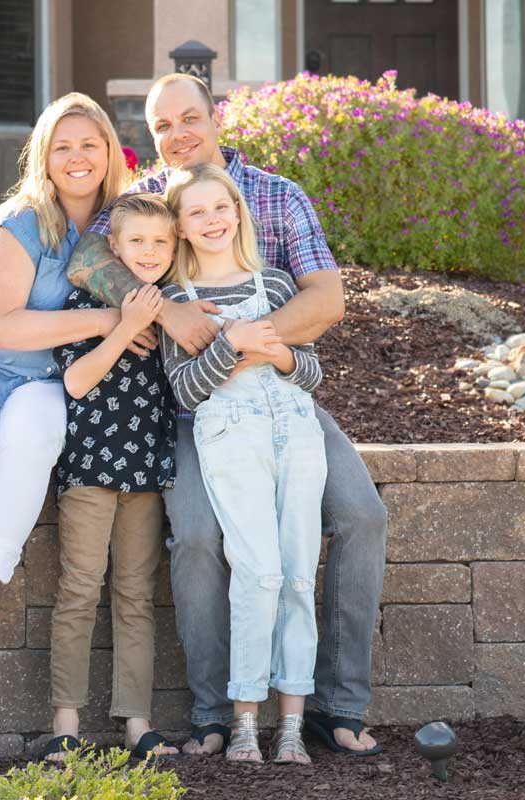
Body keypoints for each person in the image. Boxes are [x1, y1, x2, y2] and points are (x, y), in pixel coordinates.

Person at [66, 73, 388, 757]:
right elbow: (87, 257)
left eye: (190, 118)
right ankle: (214, 715)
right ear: (149, 138)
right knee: (198, 536)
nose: (178, 134)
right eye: (162, 126)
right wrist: (168, 310)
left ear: (216, 118)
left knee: (362, 514)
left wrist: (247, 338)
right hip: (192, 407)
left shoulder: (275, 195)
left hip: (278, 395)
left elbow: (327, 298)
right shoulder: (145, 201)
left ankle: (338, 707)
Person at [0, 92, 150, 688]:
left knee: (31, 446)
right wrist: (108, 323)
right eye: (62, 147)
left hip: (49, 378)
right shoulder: (18, 221)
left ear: (108, 153)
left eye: (89, 146)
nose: (77, 158)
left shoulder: (122, 225)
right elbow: (1, 328)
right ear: (43, 157)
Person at [159, 164, 325, 765]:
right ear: (179, 225)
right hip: (232, 436)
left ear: (238, 211)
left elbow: (311, 374)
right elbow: (184, 390)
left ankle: (291, 725)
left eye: (220, 207)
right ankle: (245, 721)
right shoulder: (179, 303)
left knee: (300, 571)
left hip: (296, 431)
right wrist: (232, 346)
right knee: (257, 571)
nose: (212, 220)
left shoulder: (277, 285)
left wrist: (277, 352)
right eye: (196, 212)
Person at [44, 193, 180, 763]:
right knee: (78, 589)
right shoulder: (88, 299)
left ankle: (137, 721)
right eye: (137, 242)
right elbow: (77, 382)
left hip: (146, 469)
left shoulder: (178, 307)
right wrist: (126, 327)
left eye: (160, 242)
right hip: (92, 464)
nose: (149, 252)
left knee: (135, 594)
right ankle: (65, 722)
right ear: (115, 249)